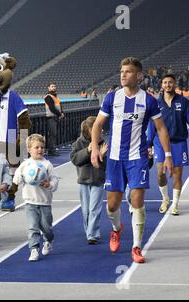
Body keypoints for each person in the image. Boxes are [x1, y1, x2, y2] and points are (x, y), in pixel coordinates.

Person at [91, 57, 173, 264]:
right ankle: (117, 229)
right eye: (122, 71)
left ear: (139, 76)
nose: (123, 74)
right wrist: (94, 148)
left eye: (128, 71)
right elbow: (98, 124)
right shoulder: (111, 98)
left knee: (137, 201)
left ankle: (136, 246)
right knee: (112, 205)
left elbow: (161, 128)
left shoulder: (148, 100)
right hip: (115, 159)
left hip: (137, 158)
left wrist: (168, 154)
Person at [147, 73, 189, 215]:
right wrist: (148, 144)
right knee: (160, 173)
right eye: (165, 82)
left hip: (179, 142)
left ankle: (175, 204)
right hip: (159, 143)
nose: (167, 85)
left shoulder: (183, 102)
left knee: (176, 174)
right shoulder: (156, 104)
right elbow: (152, 126)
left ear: (174, 84)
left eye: (170, 82)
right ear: (161, 85)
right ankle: (165, 199)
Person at [13, 134, 59, 262]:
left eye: (42, 147)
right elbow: (16, 179)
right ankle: (34, 249)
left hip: (45, 202)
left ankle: (48, 240)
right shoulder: (25, 165)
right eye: (36, 147)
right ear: (29, 149)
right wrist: (21, 177)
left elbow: (55, 180)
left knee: (46, 227)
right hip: (30, 202)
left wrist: (50, 185)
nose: (40, 150)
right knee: (32, 227)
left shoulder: (47, 165)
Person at [70, 116, 107, 245]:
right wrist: (88, 151)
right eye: (99, 128)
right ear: (90, 129)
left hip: (98, 180)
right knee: (86, 210)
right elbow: (75, 160)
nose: (101, 131)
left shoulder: (103, 143)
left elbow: (106, 165)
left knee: (95, 209)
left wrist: (101, 155)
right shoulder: (78, 143)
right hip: (84, 181)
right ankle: (89, 231)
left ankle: (93, 234)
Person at [44, 82, 64, 156]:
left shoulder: (56, 97)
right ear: (48, 88)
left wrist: (62, 112)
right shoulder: (48, 97)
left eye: (54, 86)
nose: (54, 88)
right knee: (52, 134)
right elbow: (52, 108)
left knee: (54, 134)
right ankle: (51, 150)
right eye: (52, 86)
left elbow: (59, 106)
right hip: (51, 117)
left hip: (56, 117)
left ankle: (53, 149)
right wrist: (60, 114)